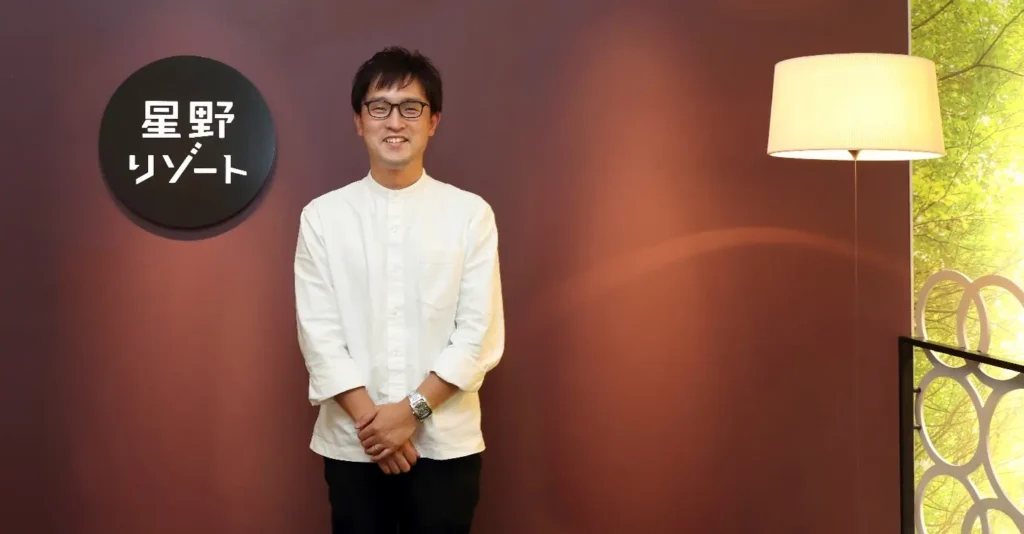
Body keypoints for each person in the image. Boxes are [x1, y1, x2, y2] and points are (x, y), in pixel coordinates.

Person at [293, 46, 505, 534]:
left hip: (445, 446)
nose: (395, 122)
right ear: (358, 120)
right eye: (379, 107)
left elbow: (478, 334)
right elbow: (319, 335)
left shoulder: (470, 214)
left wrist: (411, 412)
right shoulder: (322, 216)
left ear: (433, 121)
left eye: (411, 108)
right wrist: (376, 427)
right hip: (353, 445)